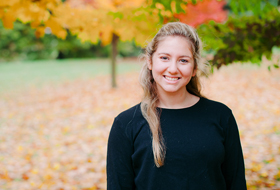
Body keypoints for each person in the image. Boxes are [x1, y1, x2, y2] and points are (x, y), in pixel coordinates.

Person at [107, 22, 247, 190]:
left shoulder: (221, 116)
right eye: (164, 58)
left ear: (194, 68)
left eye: (183, 60)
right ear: (150, 61)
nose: (173, 69)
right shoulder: (126, 124)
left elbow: (236, 183)